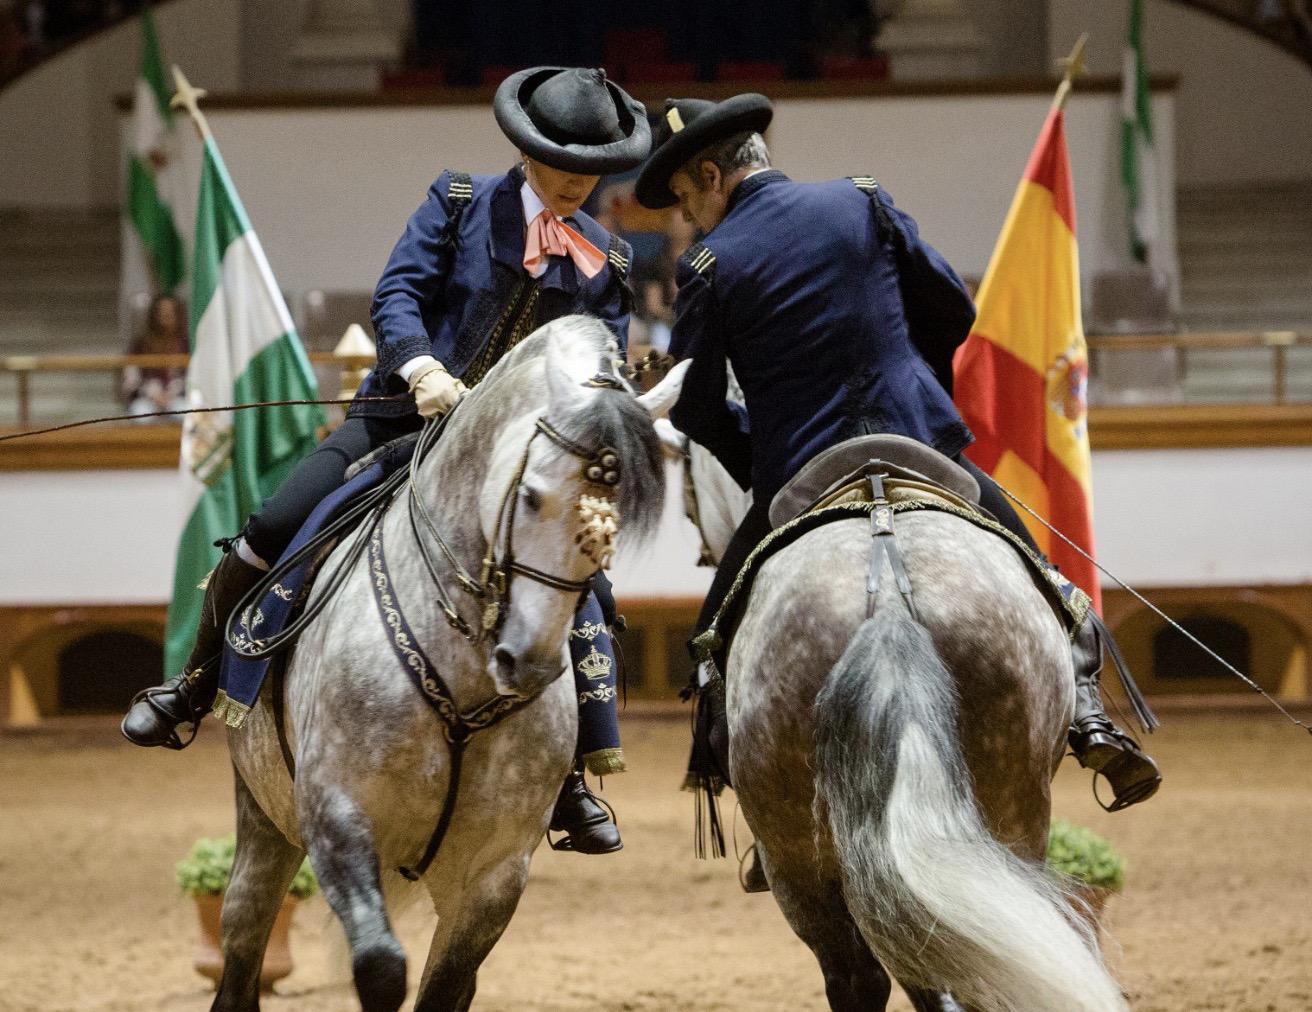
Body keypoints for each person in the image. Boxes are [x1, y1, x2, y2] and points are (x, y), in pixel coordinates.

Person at [123, 66, 652, 853]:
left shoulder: (607, 260)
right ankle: (194, 686)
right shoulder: (460, 201)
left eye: (592, 170)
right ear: (527, 150)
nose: (579, 182)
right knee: (273, 524)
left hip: (512, 460)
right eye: (564, 165)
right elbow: (397, 293)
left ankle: (571, 777)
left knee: (586, 588)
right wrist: (420, 367)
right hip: (399, 418)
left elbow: (598, 353)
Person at [633, 93, 1161, 835]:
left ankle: (736, 775)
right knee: (1044, 576)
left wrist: (761, 463)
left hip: (800, 466)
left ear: (712, 175)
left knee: (714, 635)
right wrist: (923, 410)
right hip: (914, 440)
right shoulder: (862, 201)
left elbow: (694, 408)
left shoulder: (711, 265)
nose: (688, 219)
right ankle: (1092, 720)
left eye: (687, 201)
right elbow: (951, 313)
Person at [122, 294, 188, 421]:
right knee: (141, 414)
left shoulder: (187, 344)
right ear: (154, 315)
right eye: (161, 311)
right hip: (147, 398)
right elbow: (131, 378)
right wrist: (153, 394)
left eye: (170, 311)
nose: (165, 315)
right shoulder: (140, 345)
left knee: (183, 412)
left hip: (178, 397)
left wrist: (171, 395)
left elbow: (193, 376)